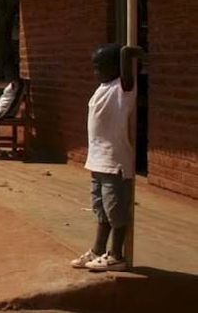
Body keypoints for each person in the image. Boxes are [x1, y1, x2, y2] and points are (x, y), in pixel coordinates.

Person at [70, 44, 142, 273]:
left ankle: (116, 256)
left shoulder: (123, 87)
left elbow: (127, 55)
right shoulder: (103, 87)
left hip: (115, 162)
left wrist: (130, 52)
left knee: (116, 211)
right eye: (94, 67)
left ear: (116, 67)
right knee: (101, 210)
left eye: (100, 66)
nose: (96, 71)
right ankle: (98, 250)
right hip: (98, 161)